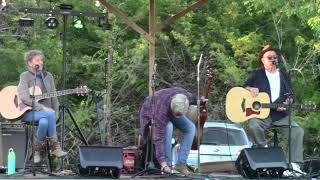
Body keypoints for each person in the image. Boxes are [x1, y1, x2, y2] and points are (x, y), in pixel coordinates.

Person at [244, 44, 305, 175]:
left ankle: (294, 165)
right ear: (263, 60)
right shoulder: (256, 74)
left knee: (297, 131)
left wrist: (288, 103)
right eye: (269, 57)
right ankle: (265, 152)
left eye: (275, 57)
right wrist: (250, 89)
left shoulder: (284, 75)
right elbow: (244, 87)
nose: (272, 59)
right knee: (253, 124)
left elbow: (291, 95)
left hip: (280, 115)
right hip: (261, 115)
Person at [17, 50, 67, 163]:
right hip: (28, 112)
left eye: (41, 60)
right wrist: (42, 108)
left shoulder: (48, 76)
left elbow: (54, 97)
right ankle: (55, 148)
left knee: (45, 122)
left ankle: (36, 151)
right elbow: (24, 97)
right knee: (49, 113)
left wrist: (56, 113)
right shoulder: (24, 76)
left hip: (47, 115)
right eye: (37, 60)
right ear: (30, 63)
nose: (41, 62)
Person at [139, 87, 197, 175]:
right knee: (168, 127)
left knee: (190, 128)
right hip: (150, 113)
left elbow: (194, 99)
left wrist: (201, 101)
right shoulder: (160, 112)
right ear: (172, 105)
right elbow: (159, 139)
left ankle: (181, 164)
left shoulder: (185, 96)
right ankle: (168, 165)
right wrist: (163, 164)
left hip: (170, 110)